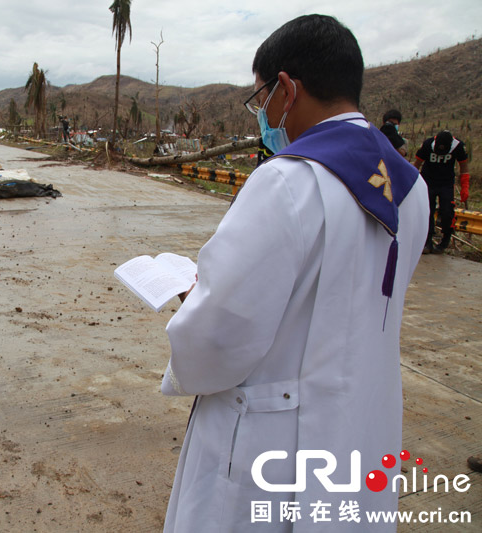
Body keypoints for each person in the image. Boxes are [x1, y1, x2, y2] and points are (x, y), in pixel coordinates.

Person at [160, 14, 428, 532]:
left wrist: (194, 300)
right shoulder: (410, 189)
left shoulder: (287, 181)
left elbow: (219, 334)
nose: (263, 114)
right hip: (360, 424)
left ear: (287, 88)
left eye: (261, 98)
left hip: (271, 441)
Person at [414, 129, 470, 253]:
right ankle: (427, 241)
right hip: (428, 181)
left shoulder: (458, 146)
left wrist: (464, 186)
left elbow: (464, 167)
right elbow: (416, 164)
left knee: (447, 211)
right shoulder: (428, 144)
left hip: (446, 183)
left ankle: (445, 241)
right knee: (427, 211)